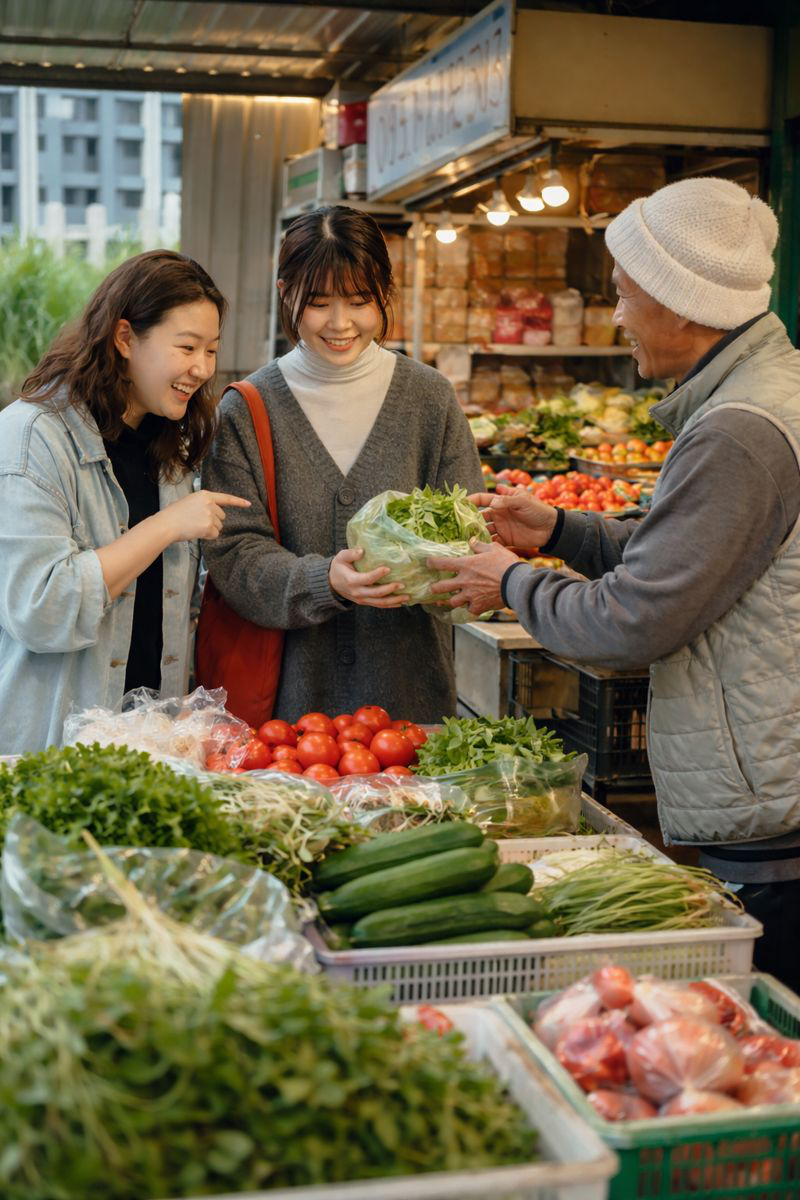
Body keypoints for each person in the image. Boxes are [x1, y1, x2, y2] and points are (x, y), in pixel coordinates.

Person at [428, 177, 800, 989]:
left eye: (627, 295)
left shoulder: (738, 432)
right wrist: (564, 531)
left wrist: (513, 581)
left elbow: (637, 617)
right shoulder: (764, 395)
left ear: (682, 303)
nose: (619, 316)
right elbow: (701, 559)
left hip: (775, 804)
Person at [200, 205, 482, 722]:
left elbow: (468, 535)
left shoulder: (429, 398)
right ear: (286, 294)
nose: (340, 323)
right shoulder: (246, 407)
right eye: (318, 303)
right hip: (288, 715)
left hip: (410, 698)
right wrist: (322, 581)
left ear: (385, 297)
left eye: (359, 301)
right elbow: (233, 551)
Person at [0, 250, 250, 754]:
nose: (201, 368)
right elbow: (41, 609)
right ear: (124, 338)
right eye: (186, 347)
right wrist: (165, 526)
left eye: (212, 350)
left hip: (152, 748)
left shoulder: (170, 445)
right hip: (51, 753)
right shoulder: (32, 438)